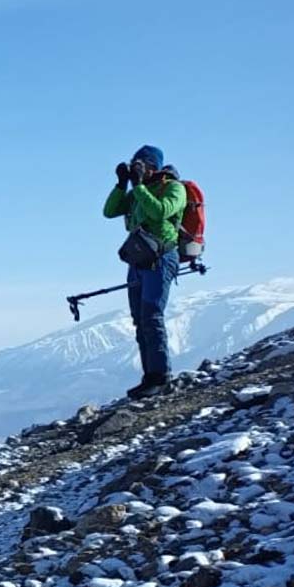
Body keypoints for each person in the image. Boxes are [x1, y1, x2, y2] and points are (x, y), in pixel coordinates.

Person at [104, 144, 187, 398]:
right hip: (139, 260)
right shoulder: (136, 192)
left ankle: (161, 376)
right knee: (140, 320)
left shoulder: (174, 188)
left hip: (161, 258)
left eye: (141, 164)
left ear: (154, 166)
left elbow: (160, 212)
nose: (136, 168)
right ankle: (149, 377)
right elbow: (109, 211)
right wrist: (121, 185)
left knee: (151, 316)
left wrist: (138, 186)